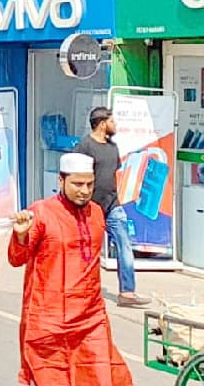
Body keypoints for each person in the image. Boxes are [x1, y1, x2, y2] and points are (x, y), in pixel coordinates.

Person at [8, 152, 133, 386]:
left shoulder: (96, 212)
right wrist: (21, 235)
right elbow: (16, 259)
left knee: (103, 376)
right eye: (77, 184)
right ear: (61, 181)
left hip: (90, 318)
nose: (84, 190)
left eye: (89, 184)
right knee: (51, 377)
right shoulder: (42, 212)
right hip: (48, 320)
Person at [75, 107, 151, 308]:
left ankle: (127, 292)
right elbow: (76, 176)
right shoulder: (85, 146)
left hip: (113, 206)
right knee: (87, 251)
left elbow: (113, 174)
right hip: (90, 207)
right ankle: (81, 291)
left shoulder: (112, 147)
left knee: (125, 245)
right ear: (102, 124)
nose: (115, 125)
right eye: (112, 121)